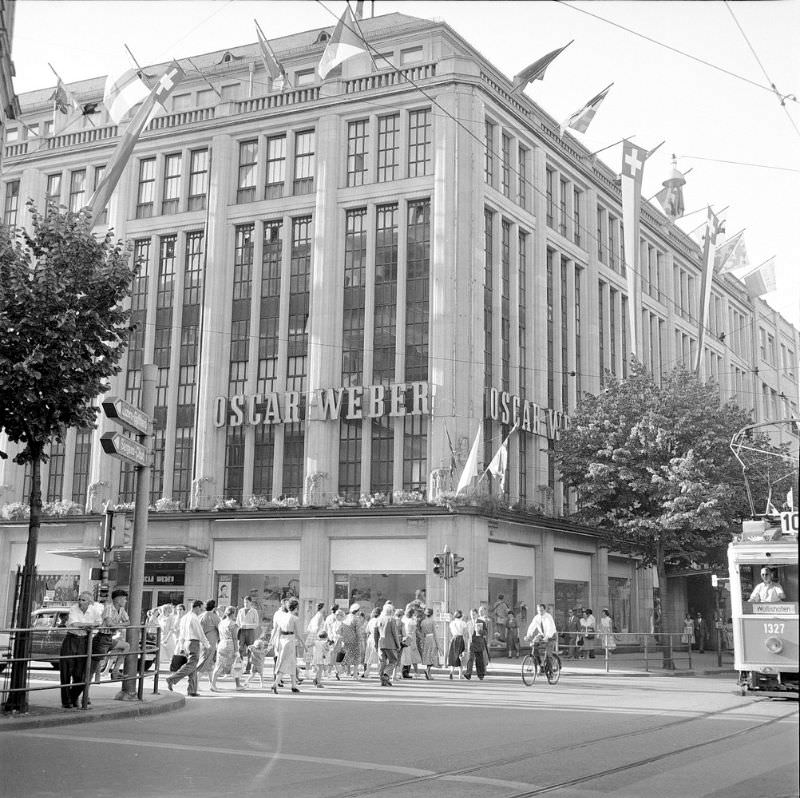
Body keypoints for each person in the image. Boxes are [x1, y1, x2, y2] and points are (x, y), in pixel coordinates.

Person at [60, 591, 102, 709]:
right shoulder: (74, 608)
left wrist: (85, 625)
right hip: (71, 639)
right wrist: (89, 625)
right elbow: (74, 624)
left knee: (81, 674)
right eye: (79, 599)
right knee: (66, 672)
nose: (80, 602)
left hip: (84, 640)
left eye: (83, 600)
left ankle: (73, 697)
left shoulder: (94, 610)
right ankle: (66, 701)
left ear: (90, 602)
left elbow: (99, 622)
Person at [166, 600, 210, 696]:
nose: (201, 611)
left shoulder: (185, 617)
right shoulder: (194, 618)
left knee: (192, 667)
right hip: (193, 642)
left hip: (186, 642)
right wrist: (207, 644)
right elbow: (199, 632)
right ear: (197, 607)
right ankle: (172, 679)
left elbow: (182, 633)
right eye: (201, 609)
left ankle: (192, 690)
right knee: (191, 665)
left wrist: (182, 645)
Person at [93, 589, 129, 681]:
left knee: (126, 646)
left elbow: (128, 622)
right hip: (102, 637)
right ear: (118, 599)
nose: (125, 601)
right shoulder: (109, 608)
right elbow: (109, 624)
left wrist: (116, 625)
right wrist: (118, 625)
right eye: (124, 599)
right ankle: (95, 679)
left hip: (109, 637)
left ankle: (115, 671)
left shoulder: (121, 610)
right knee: (98, 660)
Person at [271, 597, 302, 694]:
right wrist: (304, 645)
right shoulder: (295, 618)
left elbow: (277, 629)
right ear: (296, 608)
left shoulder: (282, 616)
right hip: (290, 640)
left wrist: (273, 641)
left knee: (292, 662)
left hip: (282, 639)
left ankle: (293, 685)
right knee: (285, 662)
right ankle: (275, 683)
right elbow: (298, 634)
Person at [210, 606, 242, 692]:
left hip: (221, 643)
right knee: (236, 664)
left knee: (218, 664)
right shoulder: (233, 624)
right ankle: (238, 685)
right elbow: (235, 638)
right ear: (233, 613)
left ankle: (213, 684)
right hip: (230, 644)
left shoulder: (221, 623)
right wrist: (237, 651)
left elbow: (219, 635)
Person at [525, 603, 558, 668]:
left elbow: (550, 628)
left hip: (551, 635)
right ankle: (539, 664)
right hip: (542, 634)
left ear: (545, 610)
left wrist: (547, 637)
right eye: (538, 610)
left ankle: (550, 669)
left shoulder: (548, 617)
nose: (540, 612)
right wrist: (528, 635)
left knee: (548, 654)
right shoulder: (537, 617)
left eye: (541, 610)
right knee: (534, 645)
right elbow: (532, 626)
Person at [197, 600, 221, 686]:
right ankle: (195, 682)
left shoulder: (201, 616)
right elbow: (221, 628)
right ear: (214, 608)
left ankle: (212, 683)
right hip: (211, 642)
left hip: (202, 641)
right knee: (205, 662)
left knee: (209, 663)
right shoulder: (214, 617)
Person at [377, 602, 400, 686]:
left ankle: (383, 679)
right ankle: (386, 675)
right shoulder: (391, 619)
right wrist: (398, 645)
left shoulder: (379, 619)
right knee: (393, 661)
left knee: (382, 662)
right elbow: (395, 634)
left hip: (381, 643)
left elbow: (376, 633)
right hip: (390, 644)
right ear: (391, 611)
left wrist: (376, 644)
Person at [236, 596, 259, 673]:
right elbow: (237, 622)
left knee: (250, 650)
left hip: (250, 632)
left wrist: (247, 626)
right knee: (240, 649)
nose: (245, 604)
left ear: (250, 602)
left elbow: (256, 624)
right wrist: (239, 627)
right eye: (244, 602)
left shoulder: (254, 611)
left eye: (247, 602)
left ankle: (248, 669)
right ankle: (240, 667)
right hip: (241, 631)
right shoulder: (240, 611)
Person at [464, 608, 489, 680]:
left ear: (477, 614)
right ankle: (468, 674)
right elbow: (466, 634)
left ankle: (480, 675)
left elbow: (486, 632)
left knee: (479, 659)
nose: (472, 616)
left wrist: (480, 631)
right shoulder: (468, 623)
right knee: (470, 659)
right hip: (471, 643)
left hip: (479, 643)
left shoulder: (481, 622)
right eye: (471, 614)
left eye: (474, 614)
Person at [400, 605, 422, 679]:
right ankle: (416, 672)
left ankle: (402, 672)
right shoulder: (412, 621)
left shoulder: (404, 619)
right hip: (411, 638)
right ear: (412, 614)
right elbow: (415, 630)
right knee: (413, 656)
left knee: (405, 655)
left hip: (405, 637)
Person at [419, 607, 440, 679]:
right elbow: (435, 633)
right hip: (432, 638)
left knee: (427, 655)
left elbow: (422, 633)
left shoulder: (423, 622)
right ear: (432, 614)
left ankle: (428, 672)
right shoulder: (433, 622)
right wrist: (438, 643)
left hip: (426, 639)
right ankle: (428, 671)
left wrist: (422, 641)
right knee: (432, 655)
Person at [447, 610, 468, 679]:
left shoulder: (452, 623)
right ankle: (460, 675)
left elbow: (450, 632)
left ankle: (451, 672)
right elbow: (465, 633)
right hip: (460, 639)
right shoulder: (463, 623)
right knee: (461, 656)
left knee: (453, 656)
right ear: (461, 615)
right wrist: (466, 643)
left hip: (453, 639)